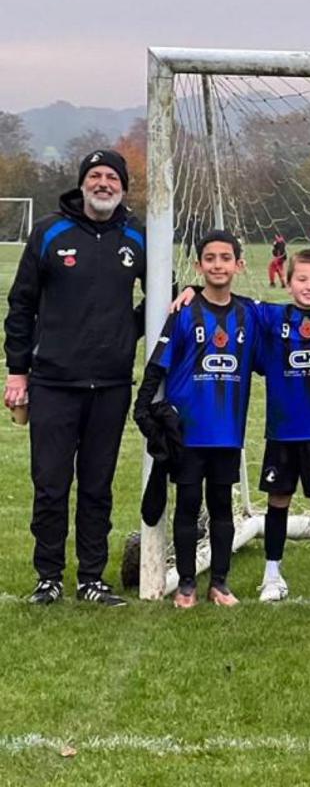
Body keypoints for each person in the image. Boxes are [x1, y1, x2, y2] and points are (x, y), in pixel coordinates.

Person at [183, 248, 310, 605]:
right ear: (287, 283)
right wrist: (193, 290)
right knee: (277, 500)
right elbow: (226, 299)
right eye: (301, 279)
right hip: (282, 432)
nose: (309, 286)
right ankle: (272, 576)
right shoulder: (270, 317)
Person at [5, 149, 146, 606]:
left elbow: (160, 294)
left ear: (123, 187)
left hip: (110, 384)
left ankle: (91, 578)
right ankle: (48, 577)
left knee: (97, 485)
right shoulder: (49, 232)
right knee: (50, 484)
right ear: (82, 182)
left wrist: (129, 330)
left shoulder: (136, 236)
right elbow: (21, 306)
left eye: (112, 177)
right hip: (52, 383)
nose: (103, 183)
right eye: (96, 176)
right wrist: (17, 372)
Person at [134, 231, 255, 608]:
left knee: (221, 505)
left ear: (239, 264)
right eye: (210, 258)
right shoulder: (184, 311)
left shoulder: (250, 312)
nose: (217, 264)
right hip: (187, 432)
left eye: (225, 258)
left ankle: (219, 583)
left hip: (227, 433)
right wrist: (142, 410)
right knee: (188, 505)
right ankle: (186, 584)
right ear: (200, 265)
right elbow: (157, 364)